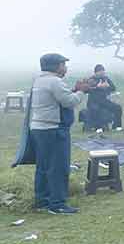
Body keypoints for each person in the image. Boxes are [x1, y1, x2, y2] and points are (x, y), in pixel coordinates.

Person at [21, 53, 90, 214]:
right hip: (54, 130)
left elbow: (56, 98)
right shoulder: (55, 81)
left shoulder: (39, 80)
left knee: (43, 166)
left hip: (39, 128)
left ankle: (42, 201)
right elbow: (69, 101)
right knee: (59, 167)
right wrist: (81, 91)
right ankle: (57, 204)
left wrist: (73, 89)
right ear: (56, 66)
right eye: (63, 64)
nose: (65, 67)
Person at [84, 64, 122, 131]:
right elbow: (86, 90)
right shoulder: (91, 80)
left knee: (118, 107)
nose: (102, 73)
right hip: (93, 101)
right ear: (96, 72)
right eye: (100, 72)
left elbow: (113, 88)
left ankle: (117, 126)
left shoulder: (106, 79)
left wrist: (107, 87)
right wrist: (97, 87)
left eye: (103, 71)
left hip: (104, 100)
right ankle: (98, 127)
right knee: (96, 109)